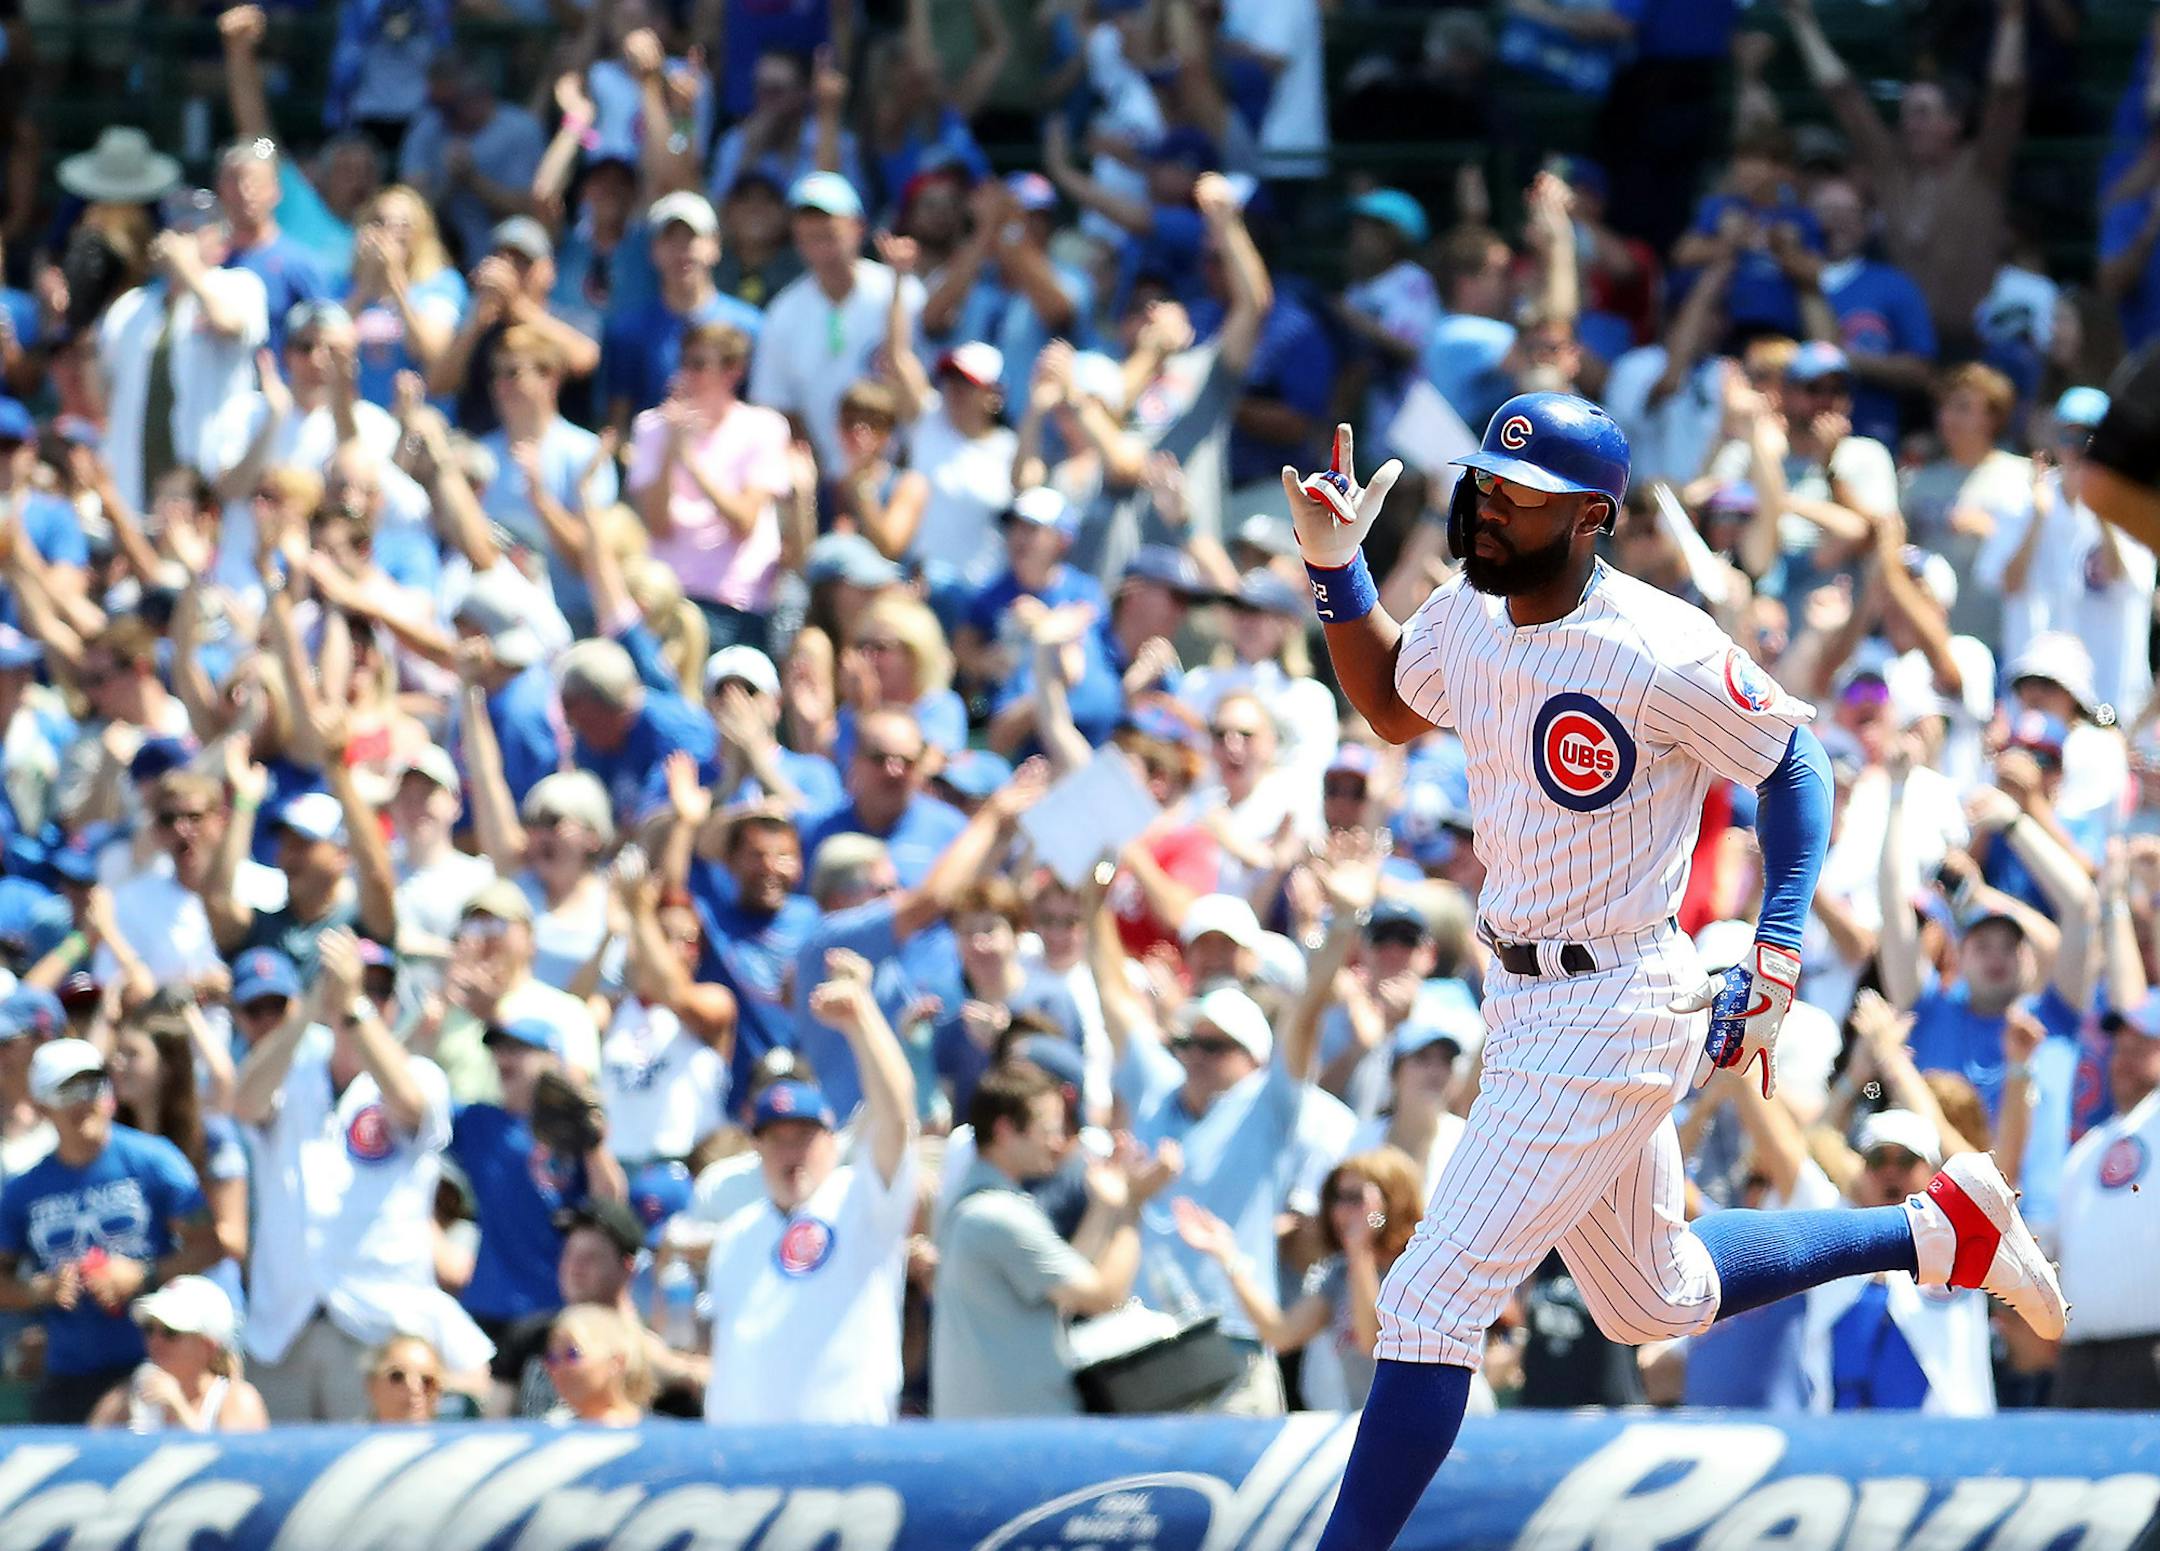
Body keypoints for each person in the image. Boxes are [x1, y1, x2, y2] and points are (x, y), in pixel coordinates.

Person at [1282, 400, 2063, 1550]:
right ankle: (1932, 1232)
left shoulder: (1660, 643)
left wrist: (1779, 936)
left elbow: (1793, 759)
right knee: (1654, 1299)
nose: (1489, 506)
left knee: (1428, 1300)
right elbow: (1394, 706)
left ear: (1593, 516)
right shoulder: (1465, 612)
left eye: (1521, 492)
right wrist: (1339, 572)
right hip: (1527, 994)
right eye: (1487, 484)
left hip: (1612, 998)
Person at [233, 928, 488, 1421]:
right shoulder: (293, 1069)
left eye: (378, 990)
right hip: (283, 1326)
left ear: (393, 1004)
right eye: (354, 986)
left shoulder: (418, 1073)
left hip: (376, 1328)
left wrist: (353, 1008)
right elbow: (243, 1102)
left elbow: (409, 1104)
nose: (364, 997)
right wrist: (312, 1005)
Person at [701, 949, 918, 1424]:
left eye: (803, 1137)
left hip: (844, 1457)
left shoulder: (859, 1200)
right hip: (745, 1464)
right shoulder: (737, 1232)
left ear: (829, 1139)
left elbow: (897, 1114)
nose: (790, 1152)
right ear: (755, 1146)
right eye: (775, 1139)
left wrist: (861, 1016)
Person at [931, 1061, 1177, 1417]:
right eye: (1048, 1129)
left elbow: (1065, 1282)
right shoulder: (998, 1216)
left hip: (1002, 1435)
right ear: (1004, 1130)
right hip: (1018, 1442)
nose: (1059, 1141)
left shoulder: (981, 1207)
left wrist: (1105, 1206)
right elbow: (1103, 1296)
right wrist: (1132, 1205)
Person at [0, 1038, 222, 1422]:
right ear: (40, 1105)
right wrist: (39, 1289)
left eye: (92, 1085)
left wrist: (142, 1274)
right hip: (67, 1372)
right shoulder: (22, 1191)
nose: (83, 1101)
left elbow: (210, 1246)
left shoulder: (154, 1161)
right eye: (66, 1090)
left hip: (155, 1367)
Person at [1176, 1147, 1427, 1411]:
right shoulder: (1341, 1274)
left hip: (1443, 1426)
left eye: (1355, 1198)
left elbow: (1373, 1342)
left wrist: (1361, 1247)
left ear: (1391, 1202)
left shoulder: (1418, 1267)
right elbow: (1280, 1334)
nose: (1341, 1211)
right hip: (1378, 1423)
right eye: (1336, 1198)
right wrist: (1227, 1255)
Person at [2051, 990, 2160, 1408]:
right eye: (2120, 1047)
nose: (2125, 1059)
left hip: (2151, 1354)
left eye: (2143, 1046)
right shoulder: (2086, 1151)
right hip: (2080, 1363)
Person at [86, 1275, 268, 1432]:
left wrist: (178, 1407)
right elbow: (89, 1450)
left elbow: (234, 1467)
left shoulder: (237, 1401)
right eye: (149, 1329)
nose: (155, 1341)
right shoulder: (130, 1397)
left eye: (170, 1332)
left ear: (208, 1346)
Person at [541, 1303, 654, 1426]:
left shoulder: (658, 1435)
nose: (559, 1369)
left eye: (573, 1354)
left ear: (616, 1361)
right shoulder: (551, 1431)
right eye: (552, 1359)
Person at [363, 1333, 447, 1424]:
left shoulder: (457, 1437)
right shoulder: (348, 1436)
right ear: (372, 1384)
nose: (414, 1389)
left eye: (427, 1381)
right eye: (398, 1377)